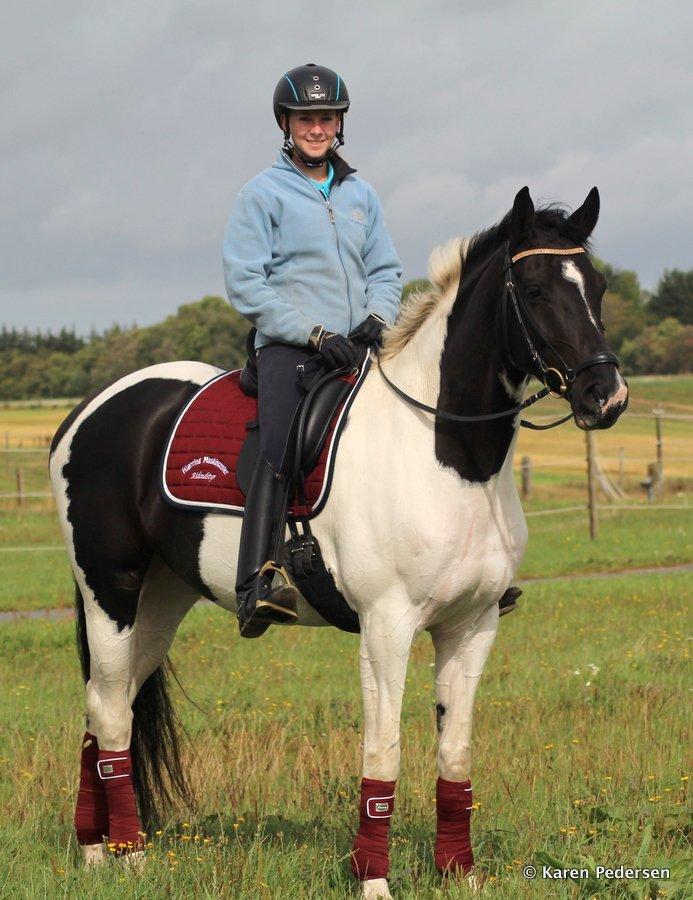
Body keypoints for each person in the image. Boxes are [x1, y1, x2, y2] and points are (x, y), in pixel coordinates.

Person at [223, 63, 403, 638]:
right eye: (306, 119)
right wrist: (313, 333)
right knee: (281, 442)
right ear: (286, 123)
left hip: (358, 348)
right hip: (292, 349)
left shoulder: (361, 194)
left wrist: (378, 318)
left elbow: (386, 270)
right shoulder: (261, 194)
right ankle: (256, 581)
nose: (317, 128)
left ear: (339, 124)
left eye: (326, 118)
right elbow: (246, 283)